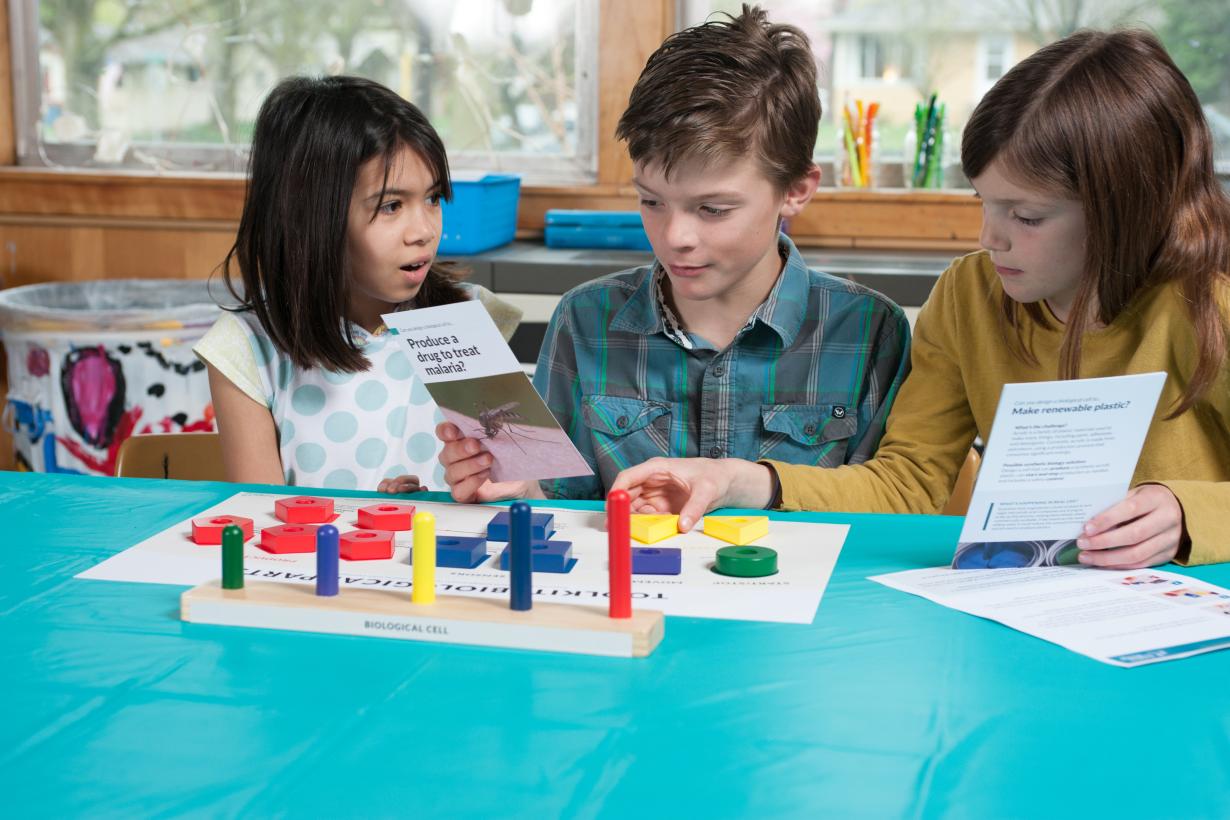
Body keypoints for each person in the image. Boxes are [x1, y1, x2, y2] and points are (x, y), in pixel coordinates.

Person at [612, 29, 1230, 569]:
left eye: (1027, 216)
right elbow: (909, 484)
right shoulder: (969, 295)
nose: (990, 238)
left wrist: (1188, 511)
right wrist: (735, 479)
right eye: (983, 204)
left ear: (1126, 210)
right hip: (1040, 610)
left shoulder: (1210, 299)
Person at [437, 4, 910, 505]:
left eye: (711, 208)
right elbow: (561, 495)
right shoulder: (584, 318)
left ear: (795, 190)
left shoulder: (869, 329)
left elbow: (879, 506)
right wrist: (517, 483)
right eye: (651, 201)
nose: (674, 236)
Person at [195, 76, 520, 492]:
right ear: (309, 217)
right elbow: (260, 521)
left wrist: (510, 489)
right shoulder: (245, 348)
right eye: (391, 206)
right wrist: (368, 517)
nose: (423, 230)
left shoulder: (471, 317)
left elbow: (529, 497)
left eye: (433, 198)